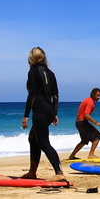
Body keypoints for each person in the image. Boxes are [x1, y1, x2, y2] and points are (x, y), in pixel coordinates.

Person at [21, 47, 65, 180]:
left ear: (32, 57)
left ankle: (59, 173)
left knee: (44, 143)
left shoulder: (33, 72)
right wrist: (54, 112)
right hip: (49, 109)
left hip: (39, 110)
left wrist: (26, 115)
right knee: (33, 138)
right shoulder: (51, 73)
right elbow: (55, 95)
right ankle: (32, 172)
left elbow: (32, 95)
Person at [68, 88, 100, 160]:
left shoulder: (87, 100)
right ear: (93, 94)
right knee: (97, 137)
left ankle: (72, 156)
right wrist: (96, 123)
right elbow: (86, 115)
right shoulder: (90, 102)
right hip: (82, 122)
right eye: (97, 95)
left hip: (78, 122)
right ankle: (91, 154)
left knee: (84, 141)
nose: (99, 97)